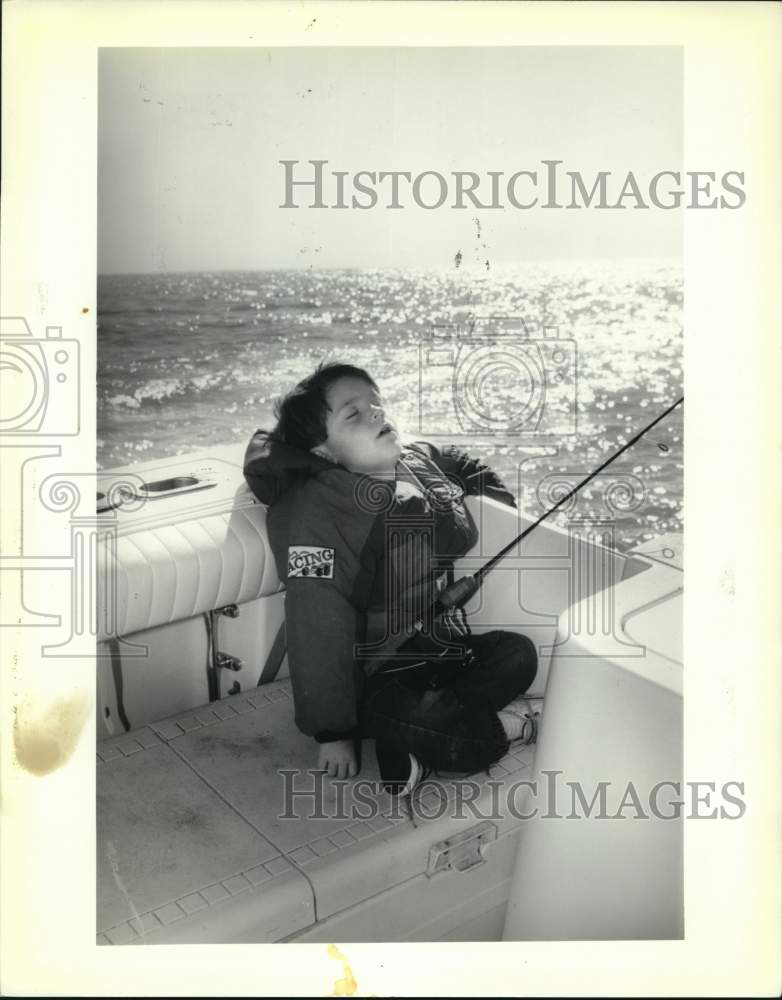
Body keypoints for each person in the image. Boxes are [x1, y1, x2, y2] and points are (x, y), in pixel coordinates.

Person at [243, 362, 538, 799]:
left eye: (376, 403)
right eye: (353, 414)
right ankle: (495, 727)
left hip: (430, 652)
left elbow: (458, 462)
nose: (377, 414)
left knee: (518, 655)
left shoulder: (409, 461)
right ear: (323, 451)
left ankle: (407, 743)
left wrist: (503, 503)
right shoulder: (317, 517)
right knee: (465, 746)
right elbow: (317, 627)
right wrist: (333, 732)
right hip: (370, 677)